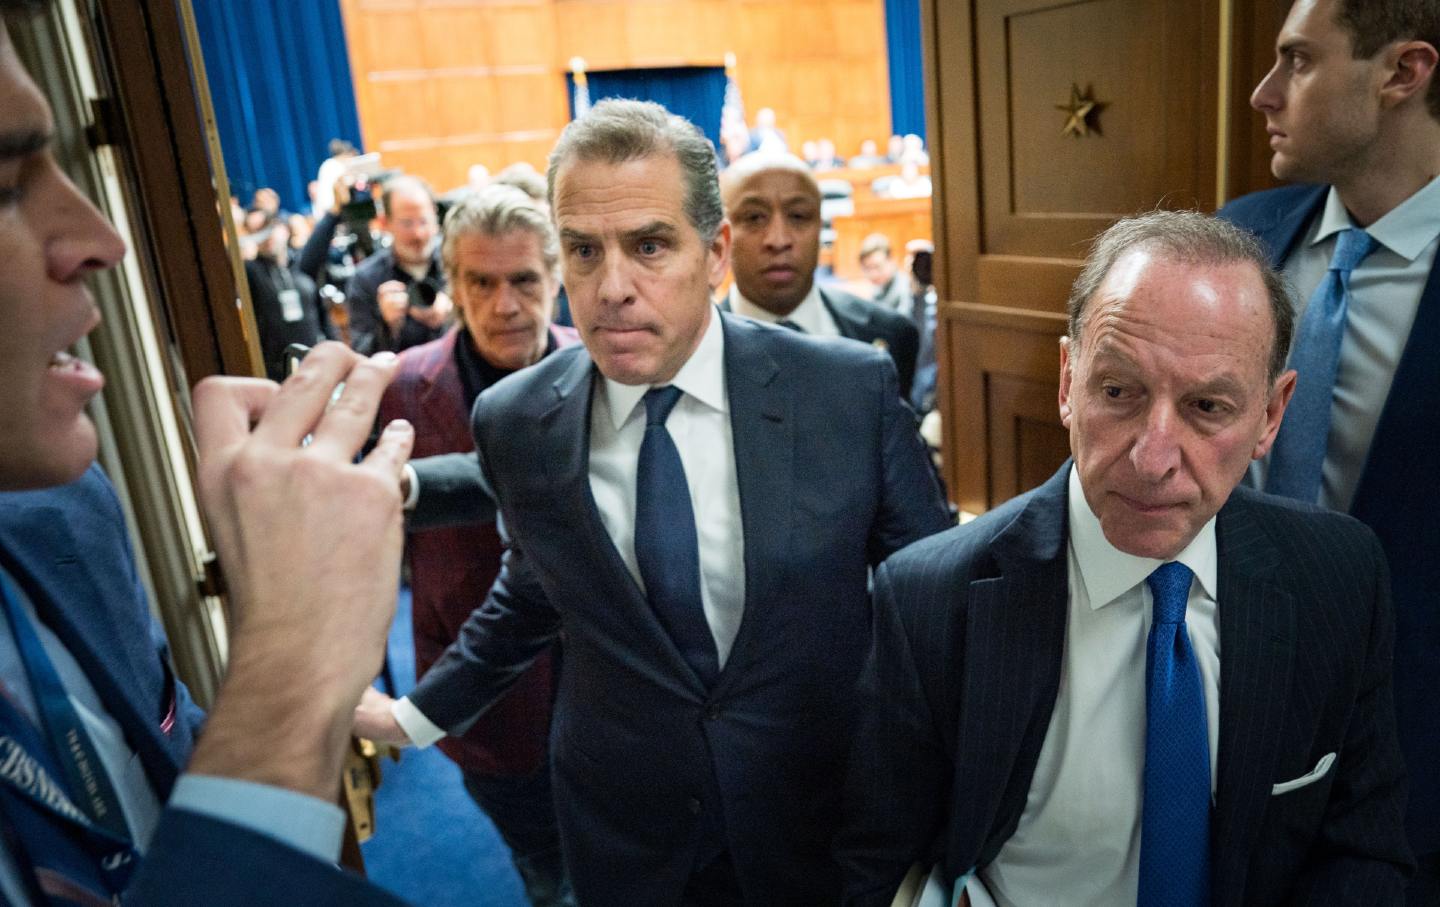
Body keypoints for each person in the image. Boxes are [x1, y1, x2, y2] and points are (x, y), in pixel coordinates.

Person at [354, 98, 952, 905]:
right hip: (627, 838)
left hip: (823, 825)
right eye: (584, 251)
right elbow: (533, 590)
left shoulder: (844, 392)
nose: (611, 288)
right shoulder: (517, 421)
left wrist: (939, 816)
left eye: (648, 246)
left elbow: (937, 606)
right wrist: (414, 716)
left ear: (715, 254)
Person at [838, 211, 1413, 906]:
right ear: (1066, 382)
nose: (1152, 457)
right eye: (1117, 392)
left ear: (1270, 415)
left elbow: (1364, 853)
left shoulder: (1341, 575)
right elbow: (873, 866)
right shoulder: (931, 597)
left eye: (1207, 405)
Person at [0, 5, 412, 903]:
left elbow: (149, 733)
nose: (104, 242)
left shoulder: (64, 504)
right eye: (4, 185)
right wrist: (293, 675)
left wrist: (332, 699)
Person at [1217, 3, 1440, 898]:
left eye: (1298, 62)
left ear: (1402, 72)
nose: (1262, 92)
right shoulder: (1241, 232)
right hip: (1220, 708)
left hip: (1412, 750)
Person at [374, 185, 578, 906]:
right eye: (481, 283)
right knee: (547, 871)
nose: (505, 304)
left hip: (617, 690)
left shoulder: (609, 368)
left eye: (524, 280)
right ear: (453, 286)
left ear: (555, 277)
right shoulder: (399, 387)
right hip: (483, 694)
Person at [719, 152, 921, 401]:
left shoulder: (892, 334)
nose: (779, 240)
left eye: (798, 216)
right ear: (721, 237)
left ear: (820, 227)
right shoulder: (693, 350)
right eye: (754, 218)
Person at [345, 175, 452, 354]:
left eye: (424, 221)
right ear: (385, 223)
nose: (418, 234)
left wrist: (456, 316)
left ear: (435, 216)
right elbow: (360, 357)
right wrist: (387, 326)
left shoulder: (459, 263)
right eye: (407, 223)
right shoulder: (365, 279)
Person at [244, 218, 337, 381]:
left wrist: (335, 348)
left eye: (268, 229)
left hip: (315, 361)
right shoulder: (252, 272)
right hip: (276, 369)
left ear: (284, 229)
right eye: (257, 232)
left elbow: (323, 317)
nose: (266, 237)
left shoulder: (301, 266)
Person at [858, 233, 910, 311]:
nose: (873, 274)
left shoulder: (906, 288)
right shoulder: (879, 286)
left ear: (891, 261)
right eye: (867, 268)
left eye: (877, 267)